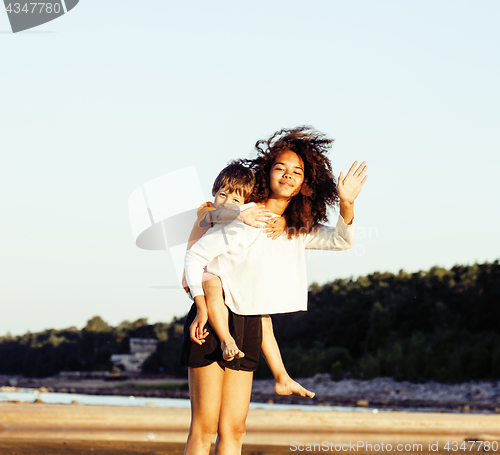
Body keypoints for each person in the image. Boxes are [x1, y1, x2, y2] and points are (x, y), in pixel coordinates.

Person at [183, 126, 367, 455]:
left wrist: (347, 203)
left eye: (297, 171)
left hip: (251, 322)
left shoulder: (296, 229)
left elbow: (341, 240)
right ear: (267, 171)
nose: (287, 175)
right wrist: (240, 211)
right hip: (215, 315)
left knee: (234, 429)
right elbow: (205, 212)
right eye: (280, 167)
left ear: (305, 184)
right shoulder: (243, 212)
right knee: (205, 427)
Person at [181, 160, 314, 399]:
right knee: (213, 284)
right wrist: (241, 211)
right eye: (223, 194)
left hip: (239, 296)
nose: (229, 201)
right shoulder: (215, 210)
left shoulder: (252, 218)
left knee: (263, 317)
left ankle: (281, 376)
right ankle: (226, 339)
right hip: (208, 277)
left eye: (237, 200)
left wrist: (283, 222)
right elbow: (209, 215)